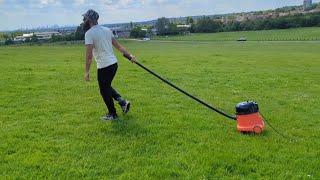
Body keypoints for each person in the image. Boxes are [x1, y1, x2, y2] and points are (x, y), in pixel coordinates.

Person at [82, 9, 136, 121]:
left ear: (88, 20)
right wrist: (129, 55)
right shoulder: (107, 30)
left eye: (85, 18)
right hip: (113, 64)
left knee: (104, 90)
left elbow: (88, 56)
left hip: (104, 66)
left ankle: (112, 114)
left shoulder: (89, 34)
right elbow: (119, 46)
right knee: (106, 87)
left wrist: (86, 72)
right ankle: (122, 102)